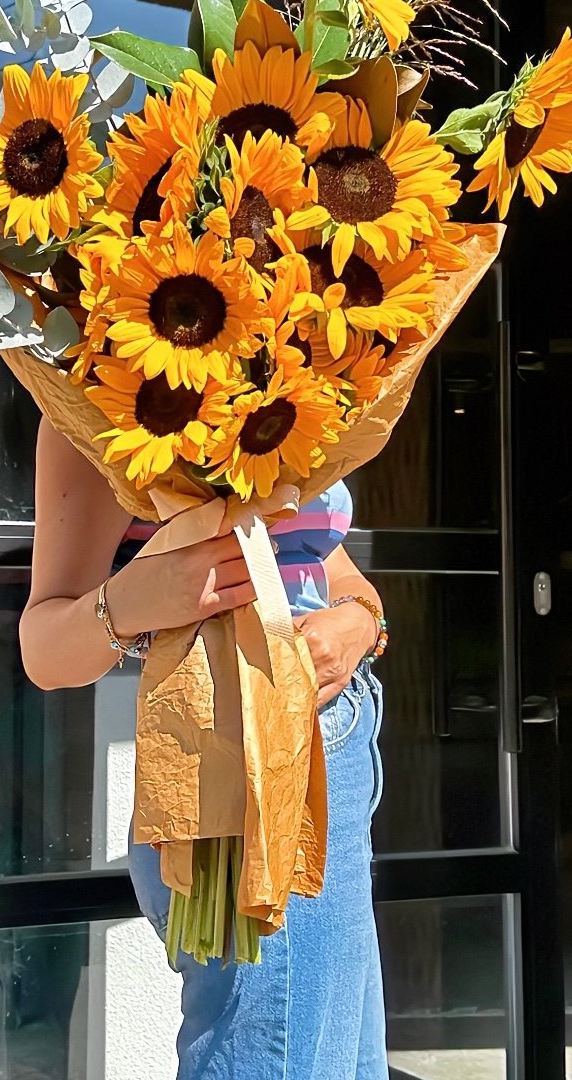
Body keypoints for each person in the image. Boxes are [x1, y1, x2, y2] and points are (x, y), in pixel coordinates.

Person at [21, 417, 390, 1080]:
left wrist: (361, 623)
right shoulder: (111, 405)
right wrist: (132, 601)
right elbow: (45, 650)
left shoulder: (298, 395)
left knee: (340, 1060)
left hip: (336, 745)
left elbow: (329, 562)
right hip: (229, 770)